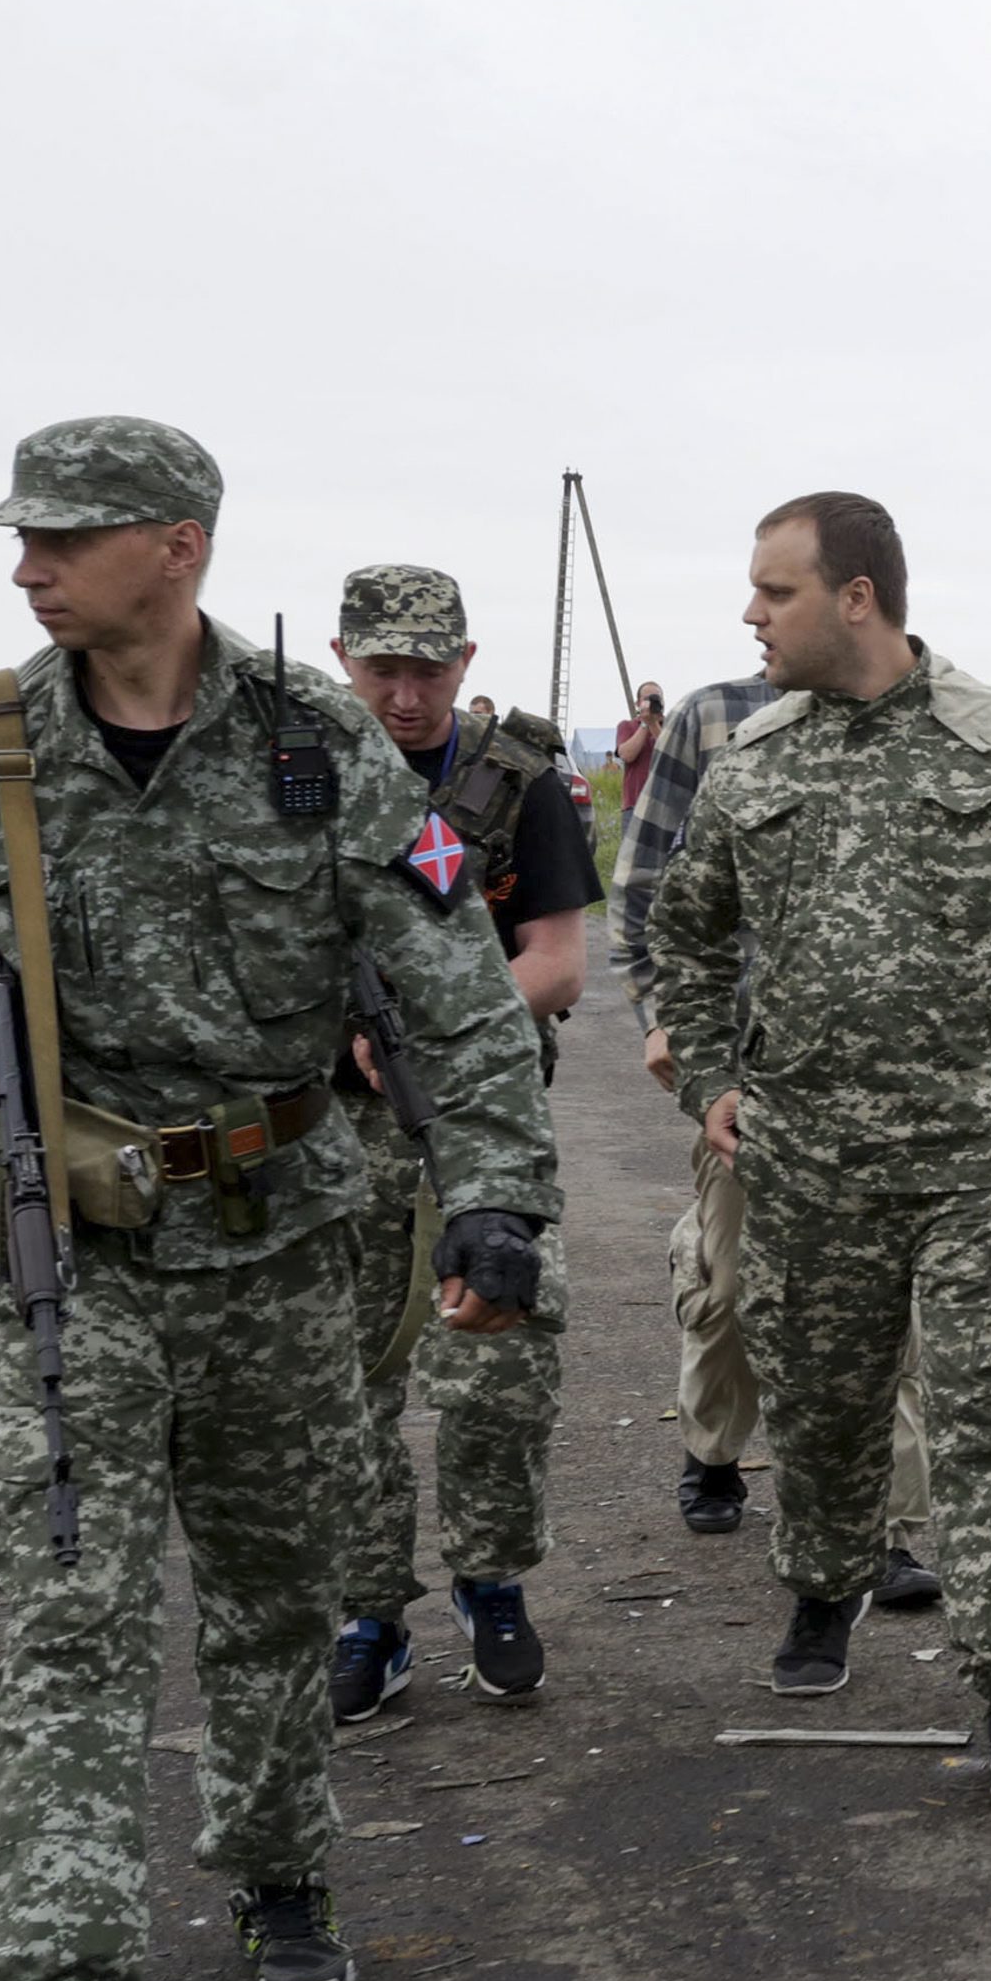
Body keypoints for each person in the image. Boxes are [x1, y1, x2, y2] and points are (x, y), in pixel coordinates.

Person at [0, 417, 558, 1981]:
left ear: (175, 545)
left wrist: (497, 1203)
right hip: (76, 1244)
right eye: (19, 540)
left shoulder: (318, 743)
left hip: (282, 1236)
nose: (26, 565)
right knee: (71, 1610)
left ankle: (276, 1869)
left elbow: (449, 967)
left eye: (62, 538)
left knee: (269, 1592)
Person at [646, 491, 991, 1801]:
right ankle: (823, 1588)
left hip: (982, 1149)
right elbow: (685, 927)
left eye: (774, 591)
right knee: (825, 1408)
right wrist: (708, 1071)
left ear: (857, 597)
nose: (750, 615)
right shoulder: (753, 761)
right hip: (810, 1152)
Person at [321, 564, 602, 1718]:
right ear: (342, 658)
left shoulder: (518, 781)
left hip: (481, 1113)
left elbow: (556, 958)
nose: (403, 693)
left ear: (466, 666)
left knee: (500, 1359)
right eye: (381, 667)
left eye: (427, 669)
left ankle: (492, 1583)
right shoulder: (292, 777)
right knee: (345, 1382)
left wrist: (442, 1029)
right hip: (330, 1126)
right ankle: (369, 1612)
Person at [616, 669, 944, 1601]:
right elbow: (644, 882)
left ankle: (884, 1532)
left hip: (885, 1081)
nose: (761, 614)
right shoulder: (714, 718)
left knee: (887, 1313)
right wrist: (664, 1018)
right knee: (728, 1288)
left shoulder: (937, 726)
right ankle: (714, 1449)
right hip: (747, 1068)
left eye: (781, 593)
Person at [614, 680, 665, 812]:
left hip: (665, 805)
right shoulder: (627, 726)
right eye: (648, 699)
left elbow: (670, 753)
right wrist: (644, 724)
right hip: (635, 804)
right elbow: (627, 755)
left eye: (656, 698)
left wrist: (654, 723)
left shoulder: (671, 726)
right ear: (638, 704)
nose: (653, 702)